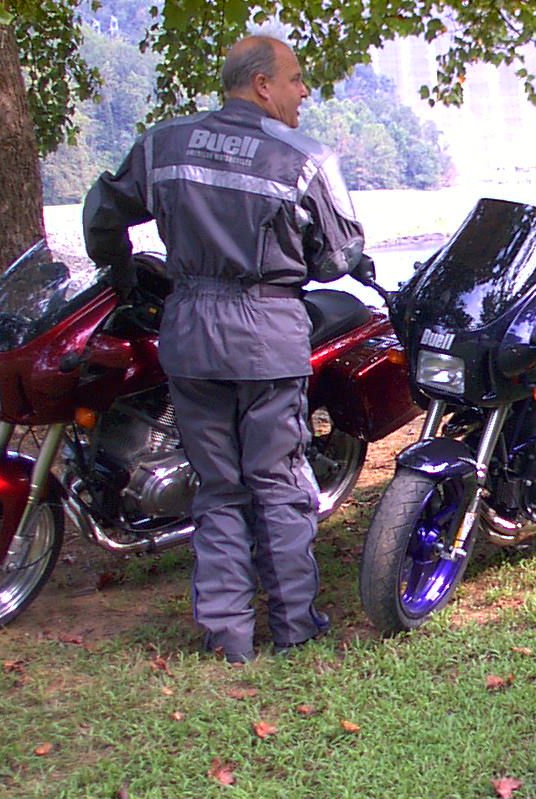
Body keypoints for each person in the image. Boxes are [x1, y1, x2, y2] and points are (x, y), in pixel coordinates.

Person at [83, 35, 370, 661]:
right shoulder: (304, 157)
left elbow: (103, 209)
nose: (303, 92)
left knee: (216, 487)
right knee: (279, 481)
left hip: (189, 331)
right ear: (262, 84)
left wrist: (122, 272)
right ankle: (295, 626)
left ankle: (227, 636)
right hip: (267, 333)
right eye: (295, 79)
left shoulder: (162, 144)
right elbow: (338, 257)